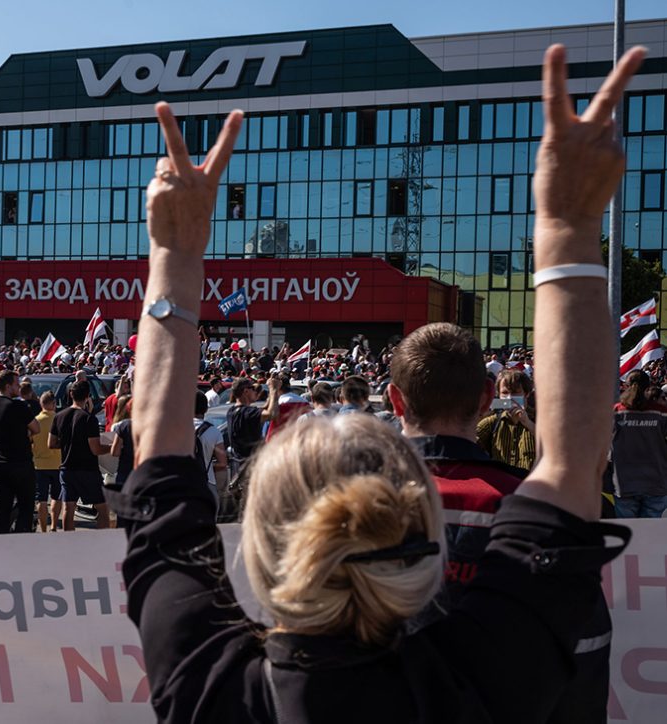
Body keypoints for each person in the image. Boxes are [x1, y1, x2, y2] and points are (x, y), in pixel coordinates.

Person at [116, 44, 642, 720]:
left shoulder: (208, 686)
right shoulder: (483, 680)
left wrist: (173, 251)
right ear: (420, 537)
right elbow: (573, 464)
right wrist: (568, 224)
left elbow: (156, 455)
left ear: (262, 550)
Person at [386, 322, 612, 723]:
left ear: (395, 401)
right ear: (487, 397)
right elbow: (583, 654)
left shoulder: (336, 509)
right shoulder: (540, 515)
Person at [50, 380, 111, 530]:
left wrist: (68, 443)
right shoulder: (89, 419)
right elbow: (95, 449)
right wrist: (112, 448)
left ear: (71, 394)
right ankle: (103, 539)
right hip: (87, 469)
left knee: (68, 508)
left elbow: (51, 443)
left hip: (67, 468)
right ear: (88, 396)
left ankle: (69, 540)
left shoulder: (59, 416)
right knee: (103, 509)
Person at [0, 370, 40, 533]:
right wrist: (26, 432)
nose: (19, 387)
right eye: (16, 384)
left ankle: (1, 538)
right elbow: (36, 428)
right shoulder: (18, 406)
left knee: (3, 506)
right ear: (8, 387)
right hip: (19, 463)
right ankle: (21, 538)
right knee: (26, 506)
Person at [610, 369, 667, 518]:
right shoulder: (661, 412)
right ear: (648, 386)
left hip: (624, 483)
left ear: (626, 385)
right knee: (650, 531)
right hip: (656, 483)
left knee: (628, 529)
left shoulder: (616, 412)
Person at [477, 368, 537, 471]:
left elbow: (556, 445)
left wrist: (528, 423)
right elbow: (468, 443)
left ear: (526, 394)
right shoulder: (492, 422)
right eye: (505, 393)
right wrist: (478, 417)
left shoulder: (540, 419)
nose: (509, 397)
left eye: (515, 392)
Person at [30, 392, 62, 532]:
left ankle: (43, 530)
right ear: (53, 404)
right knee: (56, 497)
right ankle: (54, 526)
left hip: (39, 464)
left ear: (41, 403)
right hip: (57, 463)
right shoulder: (59, 419)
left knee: (41, 499)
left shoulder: (36, 420)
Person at [193, 391, 228, 508]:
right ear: (206, 409)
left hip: (184, 483)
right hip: (207, 482)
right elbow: (222, 463)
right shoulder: (214, 432)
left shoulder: (180, 429)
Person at [108, 394, 135, 486]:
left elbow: (115, 452)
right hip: (142, 470)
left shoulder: (122, 426)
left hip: (125, 469)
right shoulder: (149, 425)